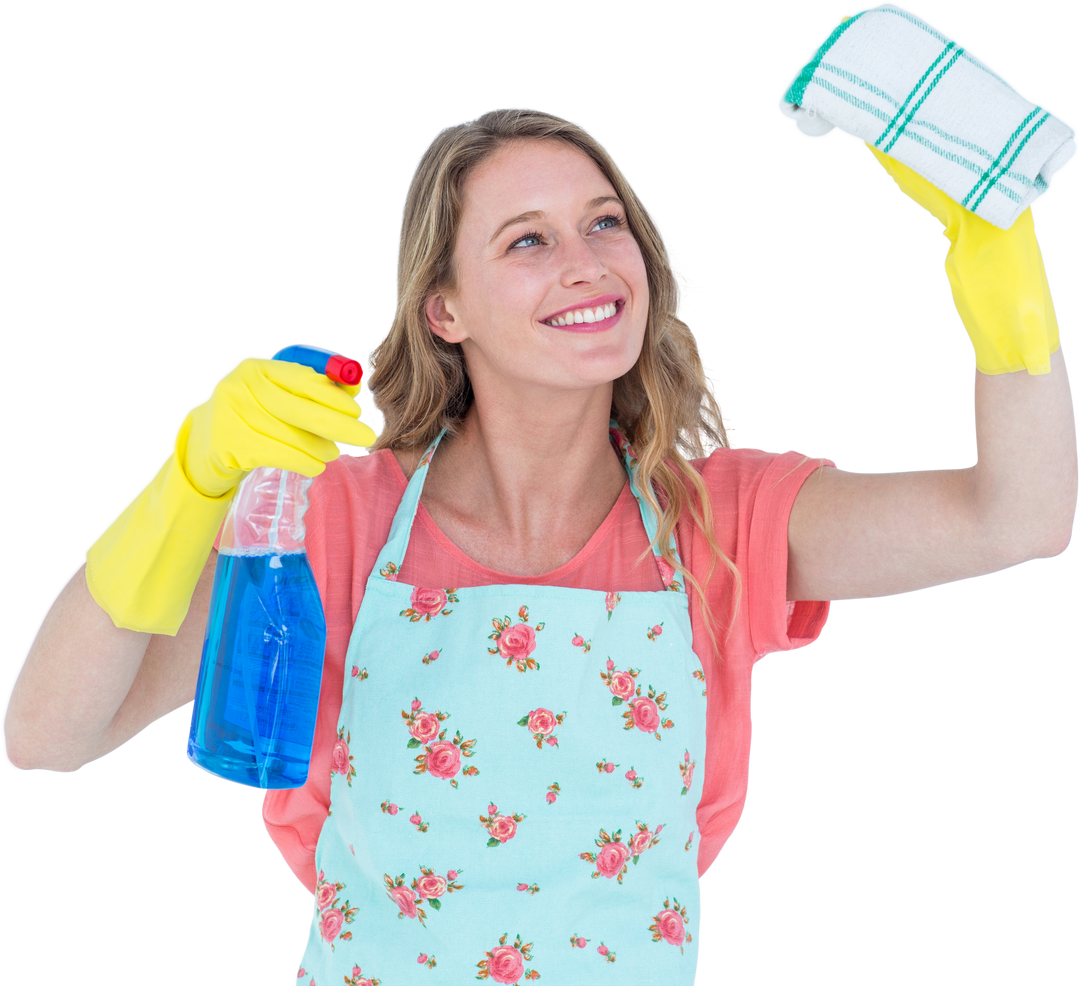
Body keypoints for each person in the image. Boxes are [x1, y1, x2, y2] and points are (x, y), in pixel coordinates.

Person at [2, 105, 1075, 983]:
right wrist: (191, 479)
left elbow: (1019, 519)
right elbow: (46, 735)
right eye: (528, 239)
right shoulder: (338, 518)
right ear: (444, 310)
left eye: (606, 223)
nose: (586, 262)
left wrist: (1002, 273)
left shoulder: (724, 518)